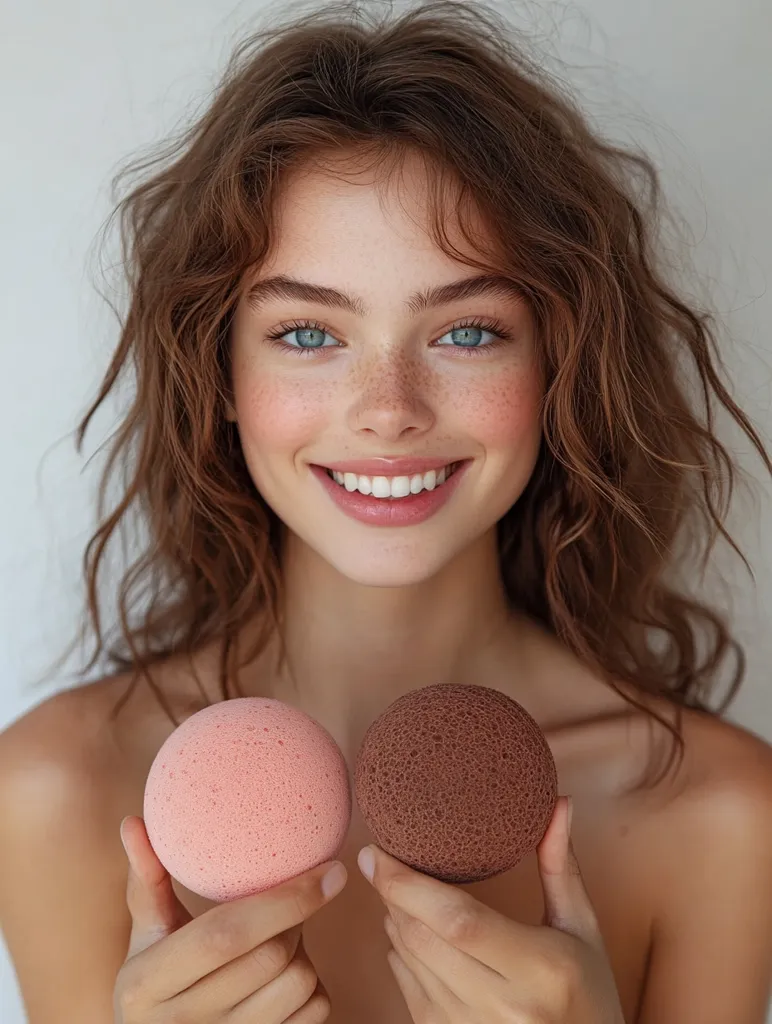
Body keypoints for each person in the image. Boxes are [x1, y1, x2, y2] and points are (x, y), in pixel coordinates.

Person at [1, 1, 771, 1021]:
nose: (389, 411)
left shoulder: (717, 812)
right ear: (219, 373)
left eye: (467, 331)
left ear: (559, 364)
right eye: (308, 334)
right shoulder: (58, 788)